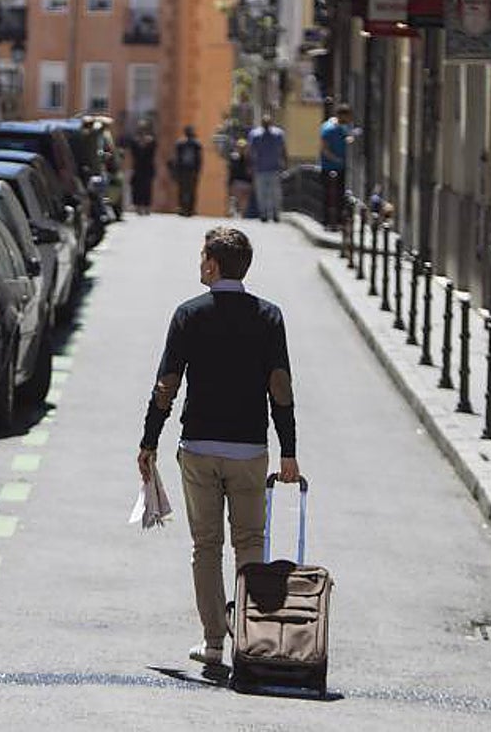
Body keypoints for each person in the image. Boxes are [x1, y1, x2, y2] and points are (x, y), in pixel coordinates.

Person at [137, 226, 301, 667]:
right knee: (249, 543)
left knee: (206, 546)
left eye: (201, 257)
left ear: (212, 264)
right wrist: (289, 450)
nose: (198, 264)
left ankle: (212, 643)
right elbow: (280, 388)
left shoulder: (189, 314)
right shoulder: (269, 317)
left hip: (199, 448)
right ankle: (248, 640)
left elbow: (166, 385)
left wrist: (149, 440)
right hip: (250, 449)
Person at [247, 112, 288, 222]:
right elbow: (251, 152)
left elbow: (283, 149)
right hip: (262, 168)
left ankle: (274, 214)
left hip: (271, 168)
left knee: (273, 193)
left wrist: (285, 163)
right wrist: (250, 165)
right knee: (264, 193)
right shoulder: (256, 134)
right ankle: (265, 214)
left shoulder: (277, 134)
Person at [320, 103, 353, 229]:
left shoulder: (342, 127)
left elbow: (346, 138)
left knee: (339, 195)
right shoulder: (329, 128)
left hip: (339, 166)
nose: (349, 119)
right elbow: (324, 148)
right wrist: (337, 159)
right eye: (348, 116)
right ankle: (327, 220)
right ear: (342, 115)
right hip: (330, 167)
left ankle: (337, 221)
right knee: (329, 195)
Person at [174, 125, 204, 217]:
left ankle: (190, 209)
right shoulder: (180, 143)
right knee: (182, 189)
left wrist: (198, 169)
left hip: (192, 169)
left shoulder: (196, 144)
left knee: (191, 190)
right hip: (183, 169)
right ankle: (182, 208)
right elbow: (177, 158)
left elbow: (199, 158)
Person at [129, 120, 157, 216]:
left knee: (147, 188)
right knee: (137, 187)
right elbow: (133, 152)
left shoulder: (152, 141)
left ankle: (146, 206)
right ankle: (138, 206)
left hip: (147, 168)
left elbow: (152, 152)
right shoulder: (134, 141)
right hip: (137, 167)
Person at [226, 138, 252, 219]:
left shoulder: (234, 158)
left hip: (240, 182)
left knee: (237, 199)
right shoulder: (250, 158)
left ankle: (238, 214)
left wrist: (229, 183)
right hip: (242, 182)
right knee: (241, 200)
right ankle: (240, 214)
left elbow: (231, 171)